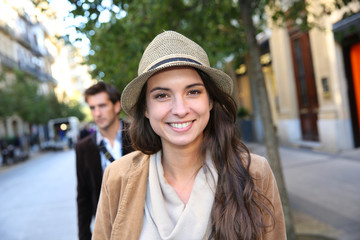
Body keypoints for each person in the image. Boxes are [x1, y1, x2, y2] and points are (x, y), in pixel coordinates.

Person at [92, 31, 286, 240]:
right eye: (162, 95)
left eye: (193, 91)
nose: (180, 109)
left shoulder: (255, 173)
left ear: (210, 100)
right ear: (146, 109)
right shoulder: (118, 177)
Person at [75, 82, 133, 240]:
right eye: (92, 108)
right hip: (107, 227)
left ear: (116, 106)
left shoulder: (138, 136)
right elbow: (83, 196)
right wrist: (84, 235)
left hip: (141, 221)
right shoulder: (83, 147)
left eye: (102, 105)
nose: (97, 113)